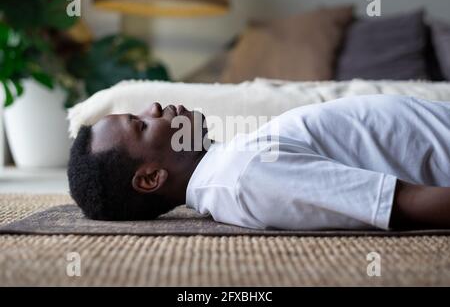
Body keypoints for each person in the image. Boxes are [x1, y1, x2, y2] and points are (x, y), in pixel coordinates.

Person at [68, 94, 450, 230]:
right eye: (140, 124)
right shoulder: (244, 174)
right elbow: (405, 203)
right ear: (150, 178)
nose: (152, 107)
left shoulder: (232, 164)